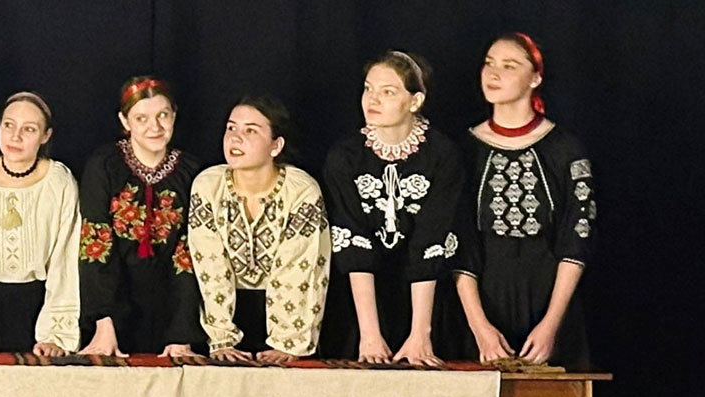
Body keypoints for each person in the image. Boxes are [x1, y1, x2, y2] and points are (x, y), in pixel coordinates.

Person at [452, 33, 595, 368]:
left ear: (535, 78)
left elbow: (577, 238)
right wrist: (480, 327)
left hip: (549, 306)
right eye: (489, 63)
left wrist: (551, 325)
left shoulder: (564, 150)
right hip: (479, 311)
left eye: (509, 65)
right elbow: (458, 243)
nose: (494, 73)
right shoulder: (463, 151)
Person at [322, 52, 466, 366]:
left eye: (387, 92)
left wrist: (420, 333)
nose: (372, 100)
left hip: (426, 300)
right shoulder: (345, 156)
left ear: (415, 101)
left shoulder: (442, 155)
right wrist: (369, 335)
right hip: (364, 302)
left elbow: (432, 240)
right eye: (368, 88)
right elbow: (351, 240)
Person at [187, 95, 331, 364]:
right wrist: (220, 339)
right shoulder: (208, 185)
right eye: (231, 128)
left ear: (276, 145)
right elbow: (209, 265)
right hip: (223, 313)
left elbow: (299, 269)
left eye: (250, 131)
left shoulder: (300, 191)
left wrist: (288, 342)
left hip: (292, 315)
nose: (235, 138)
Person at [78, 76, 205, 356]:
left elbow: (189, 255)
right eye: (141, 118)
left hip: (175, 315)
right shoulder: (104, 166)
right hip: (113, 316)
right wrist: (104, 324)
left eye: (163, 115)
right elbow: (95, 247)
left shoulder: (192, 171)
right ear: (125, 121)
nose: (155, 127)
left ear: (174, 116)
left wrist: (182, 334)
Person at [0, 92, 80, 356]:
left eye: (29, 129)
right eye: (9, 125)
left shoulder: (59, 183)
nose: (15, 136)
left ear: (45, 135)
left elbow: (65, 261)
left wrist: (55, 336)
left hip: (41, 310)